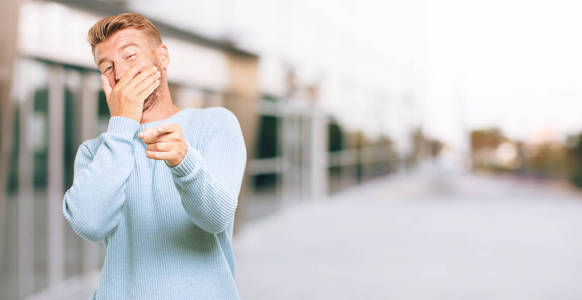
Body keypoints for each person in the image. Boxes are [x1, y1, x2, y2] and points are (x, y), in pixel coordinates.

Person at [62, 12, 246, 299]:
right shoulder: (96, 151)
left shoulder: (216, 124)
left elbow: (216, 218)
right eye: (107, 67)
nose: (120, 74)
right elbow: (89, 225)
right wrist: (123, 124)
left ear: (163, 57)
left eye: (130, 56)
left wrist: (185, 163)